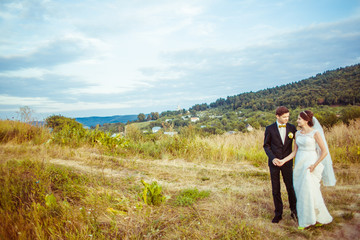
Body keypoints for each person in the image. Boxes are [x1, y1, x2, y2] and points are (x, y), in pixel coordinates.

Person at [277, 110, 336, 229]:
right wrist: (283, 160)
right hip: (299, 164)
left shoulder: (315, 133)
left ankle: (306, 221)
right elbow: (294, 152)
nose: (297, 120)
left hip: (311, 164)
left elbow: (324, 152)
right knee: (300, 191)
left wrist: (314, 165)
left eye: (299, 119)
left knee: (308, 191)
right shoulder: (297, 134)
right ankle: (314, 217)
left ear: (306, 120)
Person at [263, 106, 297, 223]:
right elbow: (266, 145)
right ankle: (278, 214)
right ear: (277, 116)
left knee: (290, 187)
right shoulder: (270, 128)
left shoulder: (292, 128)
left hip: (287, 163)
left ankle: (294, 211)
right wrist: (273, 158)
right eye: (284, 117)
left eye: (288, 116)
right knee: (276, 189)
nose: (287, 119)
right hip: (274, 163)